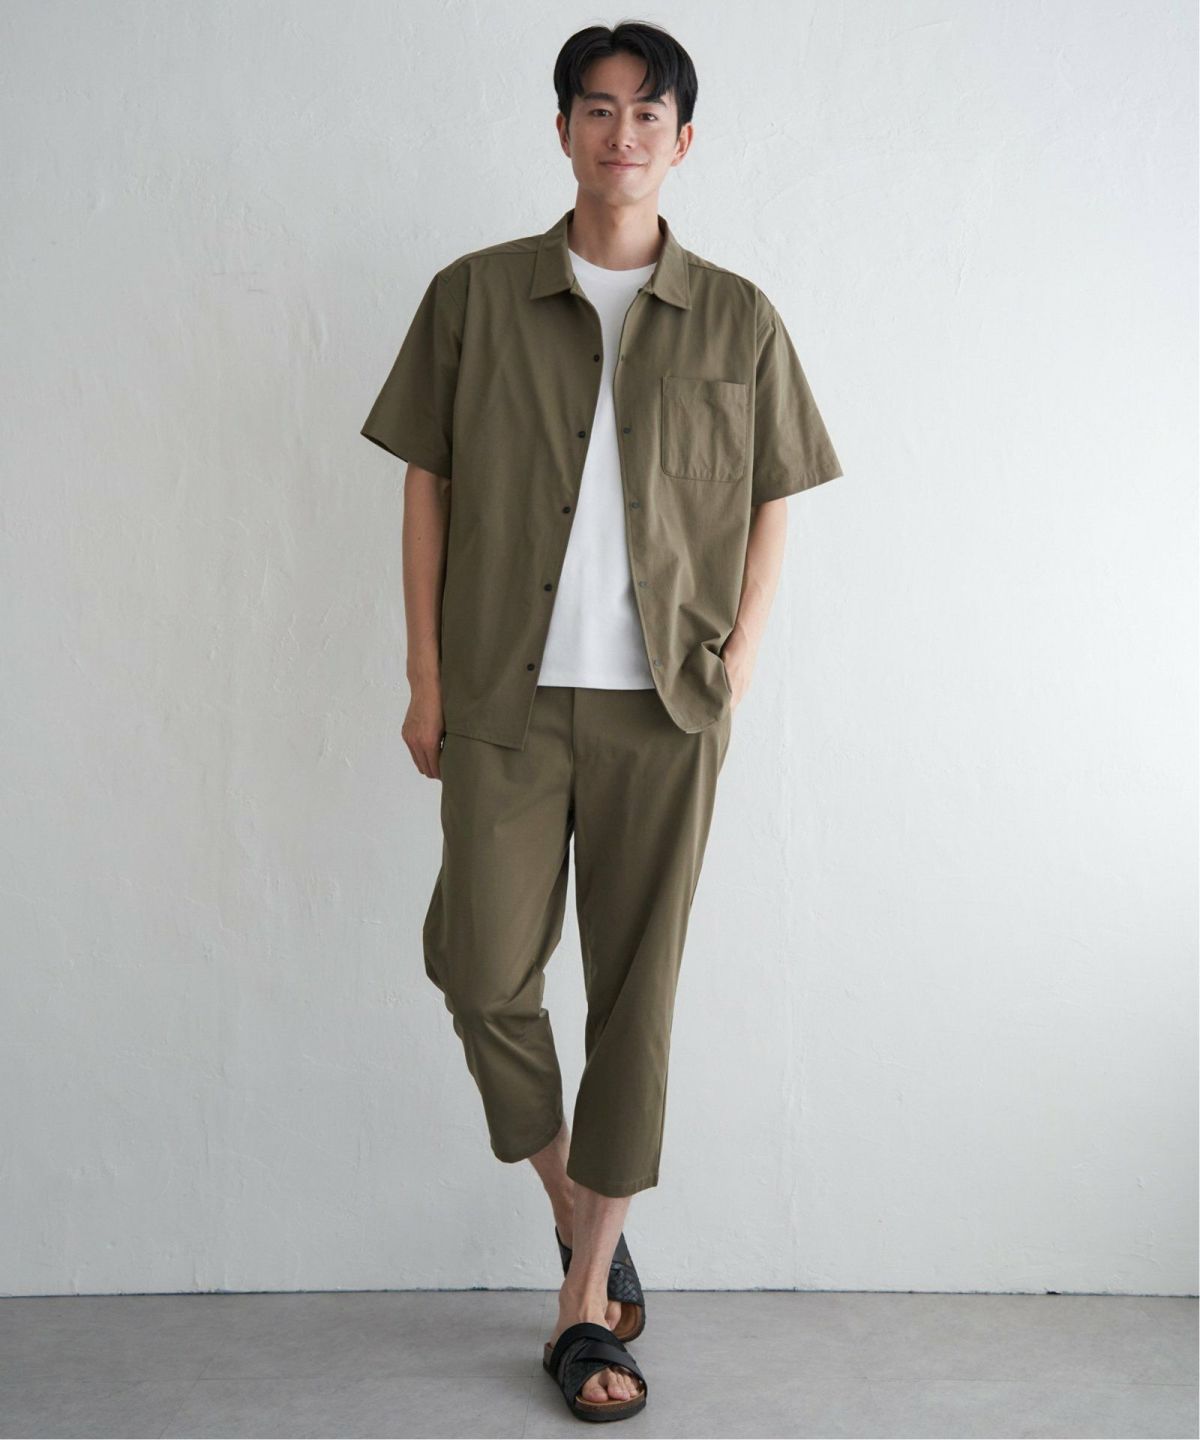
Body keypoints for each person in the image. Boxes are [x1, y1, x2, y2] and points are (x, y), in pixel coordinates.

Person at [360, 19, 842, 1424]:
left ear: (682, 141)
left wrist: (739, 659)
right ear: (563, 128)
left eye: (646, 113)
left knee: (637, 995)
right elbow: (428, 483)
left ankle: (580, 1308)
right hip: (503, 698)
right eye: (595, 108)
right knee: (479, 967)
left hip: (665, 713)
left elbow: (776, 491)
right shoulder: (472, 296)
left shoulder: (739, 318)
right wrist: (427, 678)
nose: (620, 134)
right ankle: (584, 1205)